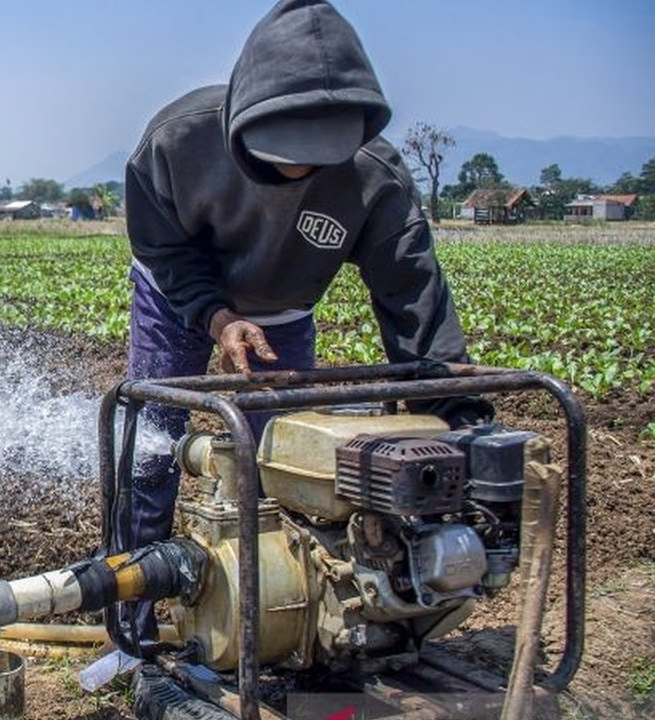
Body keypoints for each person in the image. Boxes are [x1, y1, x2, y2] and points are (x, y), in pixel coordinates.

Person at [120, 0, 492, 650]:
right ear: (243, 118)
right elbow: (164, 248)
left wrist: (457, 409)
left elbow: (412, 296)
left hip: (282, 310)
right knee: (148, 455)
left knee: (289, 465)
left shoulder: (375, 180)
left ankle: (279, 623)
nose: (300, 171)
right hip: (178, 297)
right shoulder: (176, 140)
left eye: (319, 157)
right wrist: (217, 315)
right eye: (287, 153)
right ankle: (133, 635)